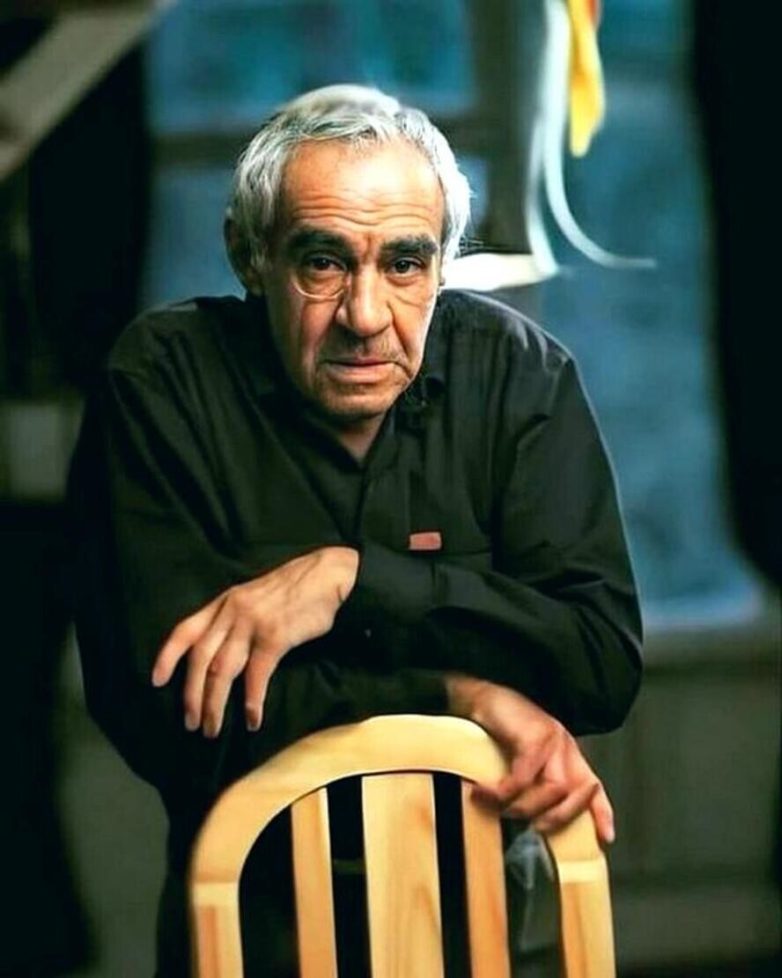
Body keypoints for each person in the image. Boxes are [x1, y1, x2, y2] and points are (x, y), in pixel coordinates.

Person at [67, 85, 642, 977]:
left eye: (405, 264)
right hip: (250, 930)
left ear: (443, 266)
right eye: (323, 263)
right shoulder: (162, 384)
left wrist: (352, 582)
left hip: (496, 920)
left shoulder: (519, 377)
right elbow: (178, 724)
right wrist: (463, 690)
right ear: (250, 256)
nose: (366, 316)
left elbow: (597, 668)